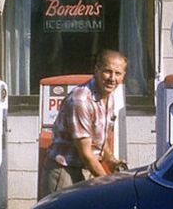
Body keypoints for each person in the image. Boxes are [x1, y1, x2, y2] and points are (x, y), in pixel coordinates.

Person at [40, 49, 128, 195]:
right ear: (97, 69)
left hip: (87, 169)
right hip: (65, 172)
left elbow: (100, 138)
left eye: (118, 73)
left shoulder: (109, 96)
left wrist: (112, 161)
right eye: (107, 71)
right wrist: (110, 185)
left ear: (123, 76)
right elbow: (86, 154)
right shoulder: (80, 100)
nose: (112, 78)